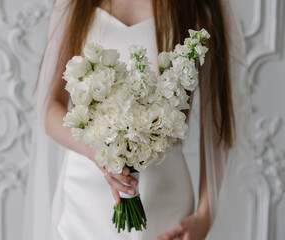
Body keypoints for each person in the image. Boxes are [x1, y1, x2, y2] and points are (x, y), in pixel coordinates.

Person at [22, 0, 254, 239]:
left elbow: (219, 122)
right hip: (84, 199)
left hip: (165, 199)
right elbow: (49, 108)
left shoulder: (201, 6)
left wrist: (205, 215)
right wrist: (98, 153)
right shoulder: (73, 4)